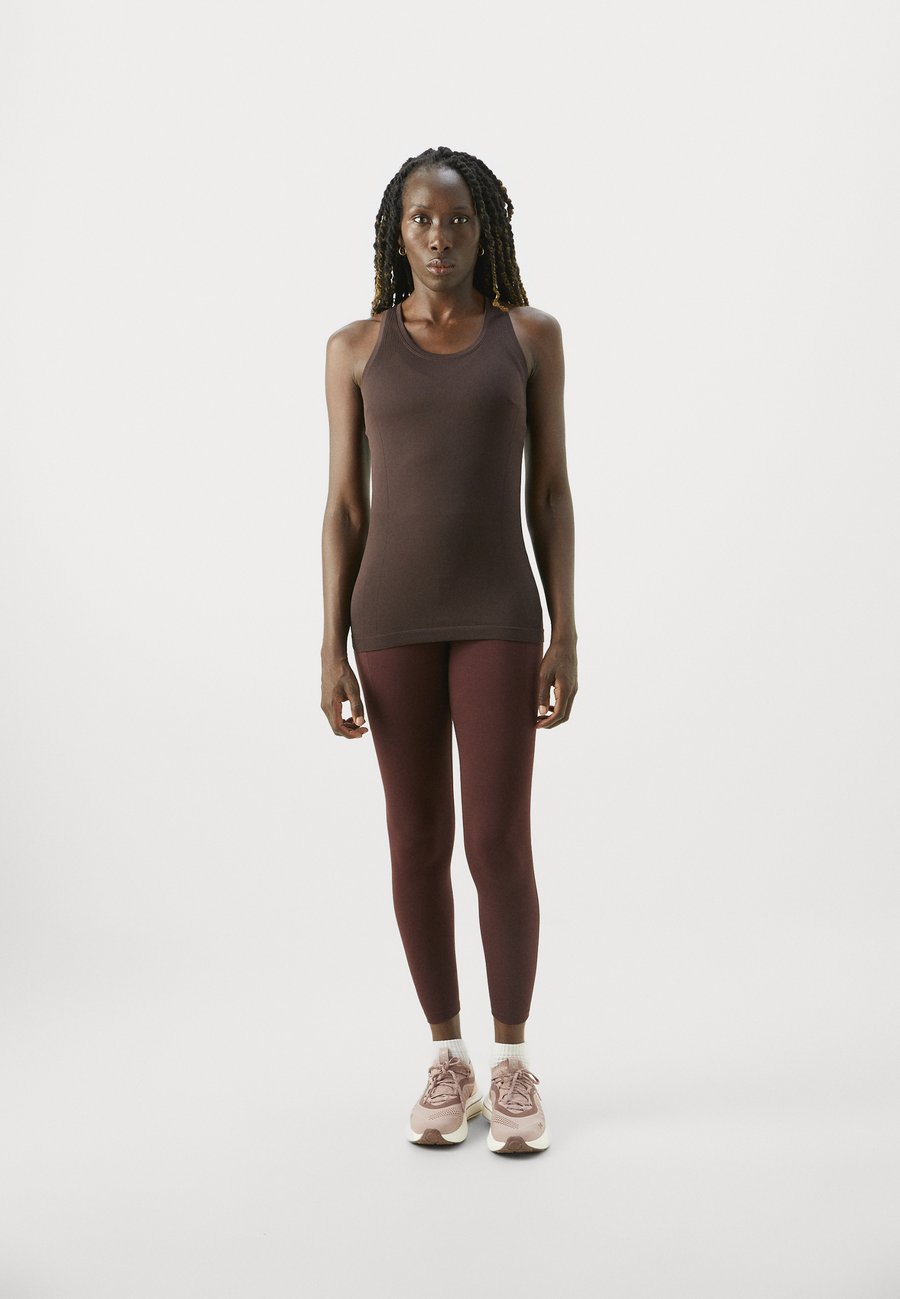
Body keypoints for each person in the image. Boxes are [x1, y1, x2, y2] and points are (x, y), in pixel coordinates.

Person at [320, 146, 577, 1154]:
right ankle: (449, 1055)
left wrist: (566, 626)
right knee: (416, 843)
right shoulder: (354, 348)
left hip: (500, 615)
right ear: (398, 233)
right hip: (388, 620)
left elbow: (550, 491)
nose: (439, 238)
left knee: (497, 842)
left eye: (458, 220)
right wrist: (330, 644)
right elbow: (344, 507)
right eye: (421, 221)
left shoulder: (530, 337)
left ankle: (513, 1063)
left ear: (486, 230)